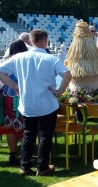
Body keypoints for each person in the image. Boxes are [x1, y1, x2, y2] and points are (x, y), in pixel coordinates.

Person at [0, 29, 72, 176]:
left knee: (28, 134)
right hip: (47, 103)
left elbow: (1, 71)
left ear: (31, 41)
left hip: (27, 103)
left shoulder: (19, 57)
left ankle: (25, 166)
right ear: (45, 41)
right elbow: (67, 75)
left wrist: (14, 86)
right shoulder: (51, 59)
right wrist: (59, 91)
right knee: (45, 135)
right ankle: (42, 167)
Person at [1, 40, 29, 165]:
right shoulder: (26, 60)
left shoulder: (5, 61)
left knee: (11, 127)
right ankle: (24, 155)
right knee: (25, 126)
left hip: (7, 96)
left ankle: (13, 154)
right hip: (23, 94)